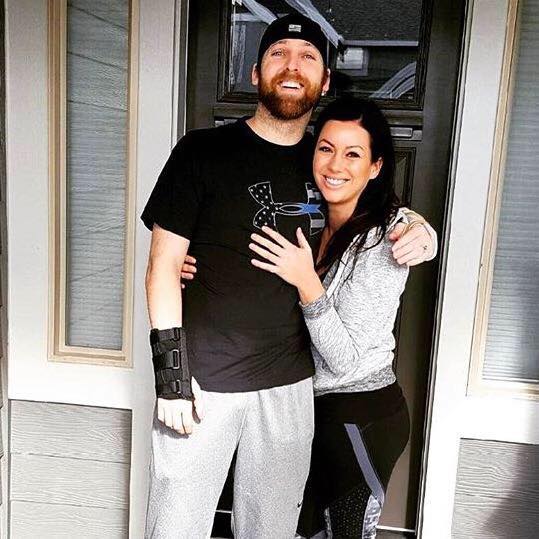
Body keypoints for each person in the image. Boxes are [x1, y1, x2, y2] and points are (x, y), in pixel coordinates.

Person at [141, 14, 435, 539]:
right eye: (278, 54)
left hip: (292, 389)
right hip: (204, 381)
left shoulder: (327, 160)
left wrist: (421, 230)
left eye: (307, 58)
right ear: (255, 72)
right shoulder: (201, 152)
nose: (291, 67)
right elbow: (162, 266)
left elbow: (380, 211)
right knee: (175, 526)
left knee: (270, 530)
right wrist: (171, 381)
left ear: (324, 82)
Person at [248, 96, 414, 538]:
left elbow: (343, 359)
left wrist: (308, 282)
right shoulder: (315, 222)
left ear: (375, 167)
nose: (335, 164)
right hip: (312, 412)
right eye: (326, 148)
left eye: (353, 153)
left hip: (359, 417)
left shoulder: (383, 243)